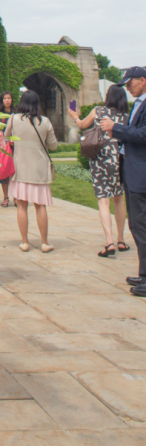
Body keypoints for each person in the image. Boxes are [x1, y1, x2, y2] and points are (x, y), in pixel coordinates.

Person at [100, 67, 146, 296]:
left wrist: (115, 128)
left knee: (142, 225)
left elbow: (143, 134)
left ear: (143, 81)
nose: (128, 87)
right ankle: (143, 273)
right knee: (136, 225)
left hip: (141, 174)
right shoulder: (138, 103)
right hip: (132, 171)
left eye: (131, 83)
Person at [69, 84, 129, 256]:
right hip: (118, 158)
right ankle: (121, 240)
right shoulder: (126, 116)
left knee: (103, 200)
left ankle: (109, 242)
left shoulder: (99, 111)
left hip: (101, 158)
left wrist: (74, 116)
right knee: (119, 199)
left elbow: (82, 125)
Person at [5, 89, 57, 252]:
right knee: (40, 206)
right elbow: (53, 146)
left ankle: (25, 241)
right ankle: (44, 242)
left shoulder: (13, 119)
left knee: (21, 206)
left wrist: (16, 142)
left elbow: (6, 138)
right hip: (39, 170)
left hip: (20, 168)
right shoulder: (46, 121)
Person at [0, 92, 16, 207]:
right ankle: (6, 196)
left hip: (14, 146)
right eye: (5, 98)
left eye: (9, 98)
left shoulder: (16, 113)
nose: (7, 100)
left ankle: (15, 197)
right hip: (3, 146)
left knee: (14, 171)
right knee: (4, 171)